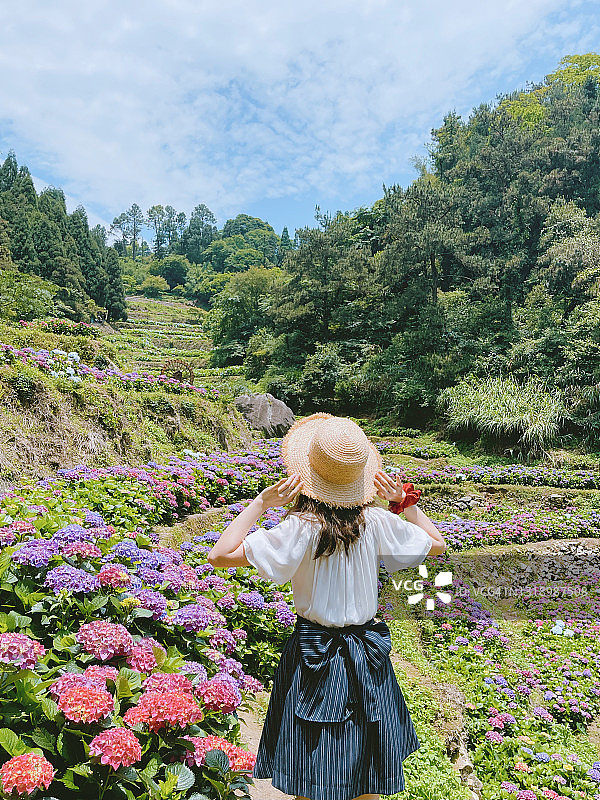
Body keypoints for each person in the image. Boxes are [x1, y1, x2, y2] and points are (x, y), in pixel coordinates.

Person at [208, 413, 446, 800]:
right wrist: (404, 503)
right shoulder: (378, 521)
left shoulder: (300, 527)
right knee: (369, 770)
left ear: (310, 474)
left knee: (310, 770)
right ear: (359, 476)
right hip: (367, 655)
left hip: (314, 656)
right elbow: (436, 544)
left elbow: (220, 554)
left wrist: (260, 504)